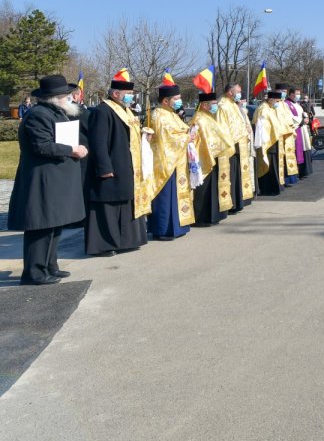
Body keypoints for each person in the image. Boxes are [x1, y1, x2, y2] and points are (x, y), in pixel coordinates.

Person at [9, 75, 88, 284]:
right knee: (41, 226)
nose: (69, 98)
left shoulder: (56, 113)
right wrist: (72, 150)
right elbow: (41, 145)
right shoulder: (38, 115)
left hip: (55, 179)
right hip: (42, 178)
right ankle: (34, 272)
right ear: (54, 97)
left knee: (54, 224)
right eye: (64, 95)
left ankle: (50, 265)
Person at [84, 69, 152, 256]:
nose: (131, 97)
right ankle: (104, 245)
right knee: (107, 207)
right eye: (128, 94)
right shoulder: (102, 111)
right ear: (115, 94)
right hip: (110, 167)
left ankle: (127, 241)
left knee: (124, 203)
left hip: (126, 165)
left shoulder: (126, 111)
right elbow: (98, 142)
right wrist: (104, 167)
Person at [146, 73, 195, 241]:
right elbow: (167, 137)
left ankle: (178, 227)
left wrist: (188, 133)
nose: (179, 102)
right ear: (165, 101)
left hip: (177, 161)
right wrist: (187, 137)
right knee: (166, 196)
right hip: (165, 161)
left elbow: (181, 130)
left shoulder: (172, 114)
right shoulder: (158, 114)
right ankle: (163, 229)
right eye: (176, 99)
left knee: (177, 194)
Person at [190, 88, 235, 226]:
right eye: (213, 103)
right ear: (204, 105)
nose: (216, 106)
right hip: (205, 158)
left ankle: (214, 215)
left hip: (216, 156)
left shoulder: (209, 118)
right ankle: (202, 217)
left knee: (213, 188)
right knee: (204, 190)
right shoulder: (198, 119)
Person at [218, 83, 255, 211]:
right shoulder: (222, 105)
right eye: (238, 91)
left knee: (237, 176)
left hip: (240, 146)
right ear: (230, 92)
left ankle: (237, 202)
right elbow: (222, 128)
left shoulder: (233, 104)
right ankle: (231, 203)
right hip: (231, 147)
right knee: (230, 176)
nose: (240, 94)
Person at [254, 89, 288, 193]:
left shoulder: (271, 108)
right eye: (277, 101)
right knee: (268, 165)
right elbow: (261, 126)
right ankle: (267, 188)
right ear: (271, 99)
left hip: (275, 141)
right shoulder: (263, 109)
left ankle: (274, 186)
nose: (278, 103)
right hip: (267, 143)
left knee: (274, 165)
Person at [285, 87, 314, 179]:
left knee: (304, 148)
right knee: (297, 150)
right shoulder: (287, 104)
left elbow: (303, 113)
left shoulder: (297, 104)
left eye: (299, 94)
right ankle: (298, 172)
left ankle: (304, 171)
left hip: (302, 129)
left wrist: (306, 118)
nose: (298, 96)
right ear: (291, 94)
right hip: (297, 128)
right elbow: (290, 117)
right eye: (296, 94)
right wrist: (301, 121)